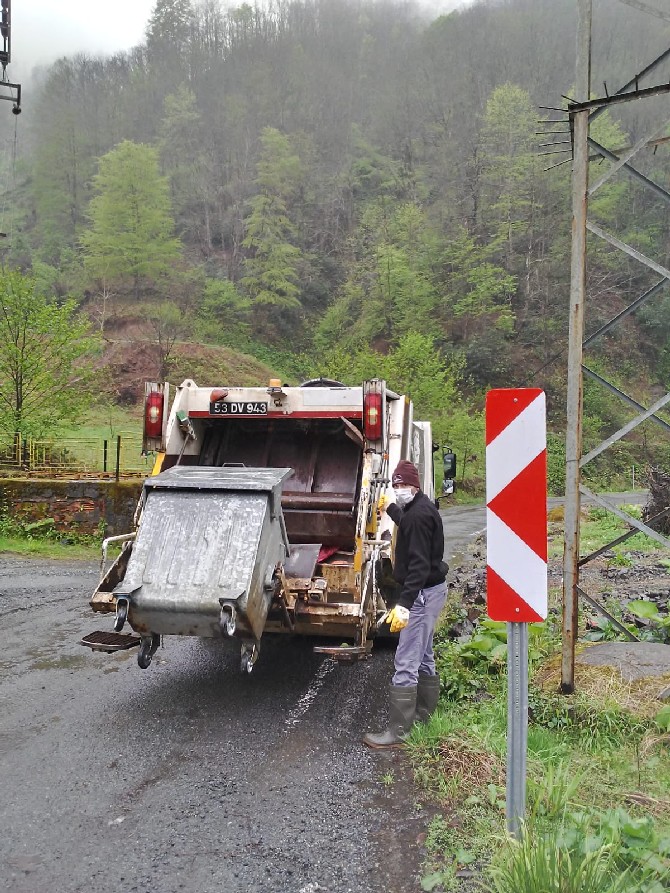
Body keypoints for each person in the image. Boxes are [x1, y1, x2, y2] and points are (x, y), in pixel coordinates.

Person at [363, 459, 448, 749]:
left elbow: (420, 567)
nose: (400, 490)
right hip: (433, 591)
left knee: (405, 661)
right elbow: (407, 523)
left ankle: (398, 733)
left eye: (404, 485)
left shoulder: (419, 515)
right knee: (423, 656)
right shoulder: (418, 508)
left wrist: (404, 604)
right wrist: (390, 508)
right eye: (396, 485)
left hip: (423, 595)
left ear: (416, 485)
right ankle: (424, 717)